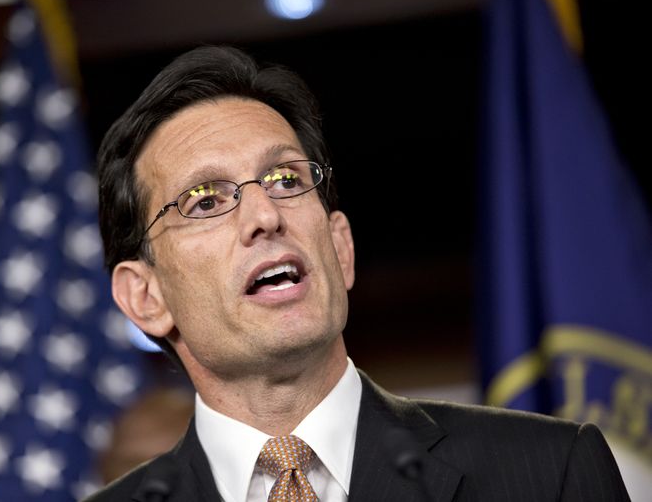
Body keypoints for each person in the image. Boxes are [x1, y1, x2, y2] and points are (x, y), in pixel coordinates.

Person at [87, 45, 629, 501]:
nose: (265, 215)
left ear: (340, 248)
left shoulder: (548, 473)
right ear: (146, 297)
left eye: (283, 178)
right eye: (205, 200)